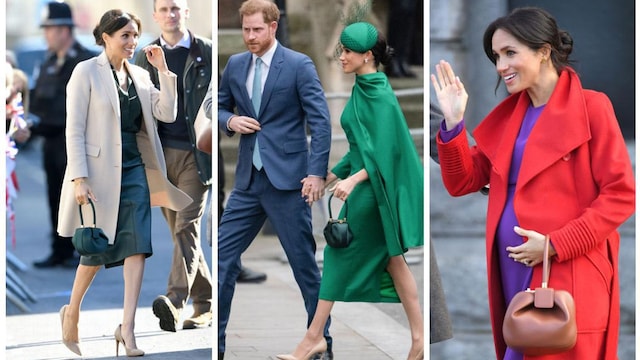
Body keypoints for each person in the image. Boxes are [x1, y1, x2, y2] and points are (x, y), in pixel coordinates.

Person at [430, 7, 635, 360]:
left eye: (510, 53)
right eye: (496, 56)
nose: (500, 66)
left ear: (543, 51)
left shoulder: (593, 107)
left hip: (570, 268)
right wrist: (453, 122)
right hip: (515, 272)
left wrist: (556, 244)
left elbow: (620, 195)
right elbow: (463, 180)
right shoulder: (510, 116)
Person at [278, 22, 424, 360]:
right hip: (368, 185)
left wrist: (353, 180)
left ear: (367, 56)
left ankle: (313, 338)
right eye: (340, 50)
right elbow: (362, 150)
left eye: (346, 51)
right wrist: (331, 174)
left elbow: (385, 154)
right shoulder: (363, 85)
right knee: (394, 264)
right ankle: (417, 341)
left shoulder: (381, 94)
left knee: (337, 256)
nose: (339, 56)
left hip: (373, 193)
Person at [56, 9, 191, 357]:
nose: (132, 43)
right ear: (105, 37)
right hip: (99, 174)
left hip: (135, 171)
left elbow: (167, 114)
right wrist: (79, 178)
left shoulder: (141, 76)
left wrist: (163, 72)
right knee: (97, 248)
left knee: (137, 246)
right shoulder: (85, 72)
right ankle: (72, 311)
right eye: (125, 36)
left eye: (135, 35)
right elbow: (74, 129)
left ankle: (127, 328)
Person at [217, 0, 332, 358]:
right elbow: (219, 105)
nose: (250, 37)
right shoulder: (235, 64)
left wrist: (316, 173)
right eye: (246, 30)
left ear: (273, 26)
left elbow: (321, 121)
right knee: (222, 259)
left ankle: (321, 345)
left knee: (304, 269)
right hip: (248, 183)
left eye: (256, 29)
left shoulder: (299, 65)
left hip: (289, 184)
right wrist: (229, 121)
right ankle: (216, 347)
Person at [134, 0, 213, 333]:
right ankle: (206, 303)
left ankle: (174, 302)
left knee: (186, 227)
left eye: (176, 8)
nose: (171, 14)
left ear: (186, 12)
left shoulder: (206, 51)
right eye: (164, 9)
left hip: (197, 155)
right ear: (155, 16)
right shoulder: (144, 55)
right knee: (184, 234)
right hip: (159, 158)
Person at [30, 1, 95, 269]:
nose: (46, 34)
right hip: (51, 144)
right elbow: (37, 103)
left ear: (65, 30)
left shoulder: (85, 61)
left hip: (76, 144)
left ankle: (84, 250)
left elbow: (66, 111)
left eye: (50, 29)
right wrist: (28, 124)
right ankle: (59, 250)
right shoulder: (47, 63)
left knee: (79, 201)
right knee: (54, 198)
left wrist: (37, 124)